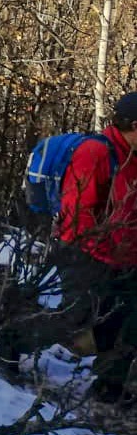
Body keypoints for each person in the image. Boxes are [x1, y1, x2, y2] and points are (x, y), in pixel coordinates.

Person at [55, 92, 137, 404]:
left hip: (126, 258)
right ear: (133, 125)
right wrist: (108, 250)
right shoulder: (97, 152)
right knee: (72, 325)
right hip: (89, 255)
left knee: (128, 325)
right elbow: (77, 214)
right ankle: (12, 338)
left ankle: (108, 388)